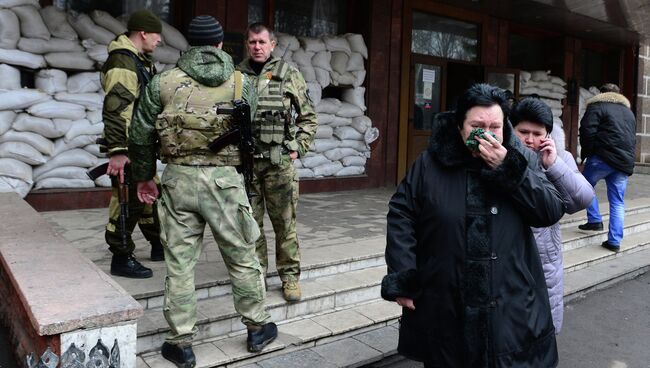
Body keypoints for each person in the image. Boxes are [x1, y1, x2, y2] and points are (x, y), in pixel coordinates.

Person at [128, 15, 278, 366]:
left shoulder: (162, 82)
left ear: (189, 44)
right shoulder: (242, 82)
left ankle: (180, 343)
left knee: (179, 264)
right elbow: (250, 126)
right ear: (221, 44)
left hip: (177, 179)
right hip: (224, 182)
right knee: (242, 255)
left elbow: (139, 134)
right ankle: (257, 328)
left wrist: (145, 176)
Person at [381, 84, 564, 367]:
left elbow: (550, 211)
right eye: (477, 125)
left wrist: (508, 169)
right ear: (459, 126)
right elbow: (402, 214)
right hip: (446, 301)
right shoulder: (430, 163)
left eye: (495, 126)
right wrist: (404, 276)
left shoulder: (522, 159)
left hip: (510, 304)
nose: (487, 134)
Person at [236, 23, 317, 301]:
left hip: (278, 166)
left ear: (272, 45)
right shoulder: (237, 76)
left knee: (284, 225)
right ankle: (257, 275)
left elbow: (308, 117)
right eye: (252, 42)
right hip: (247, 166)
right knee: (251, 226)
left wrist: (297, 148)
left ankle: (290, 278)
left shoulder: (288, 74)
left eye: (261, 42)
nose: (257, 47)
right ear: (247, 45)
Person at [511, 97, 595, 334]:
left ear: (548, 134)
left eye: (537, 133)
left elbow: (582, 199)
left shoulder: (560, 158)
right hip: (509, 252)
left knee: (541, 331)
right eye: (523, 132)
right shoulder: (501, 157)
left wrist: (553, 164)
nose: (529, 140)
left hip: (544, 260)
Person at [100, 9, 164, 279]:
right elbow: (116, 110)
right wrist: (118, 151)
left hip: (141, 144)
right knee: (126, 201)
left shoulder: (141, 61)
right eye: (156, 34)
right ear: (143, 33)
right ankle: (121, 256)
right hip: (128, 147)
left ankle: (158, 244)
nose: (159, 40)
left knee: (149, 196)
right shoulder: (123, 62)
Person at [578, 83, 636, 252]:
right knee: (618, 201)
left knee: (583, 185)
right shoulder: (628, 112)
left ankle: (595, 220)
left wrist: (586, 155)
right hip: (622, 162)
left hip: (601, 158)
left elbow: (587, 131)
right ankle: (614, 241)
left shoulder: (597, 106)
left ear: (601, 94)